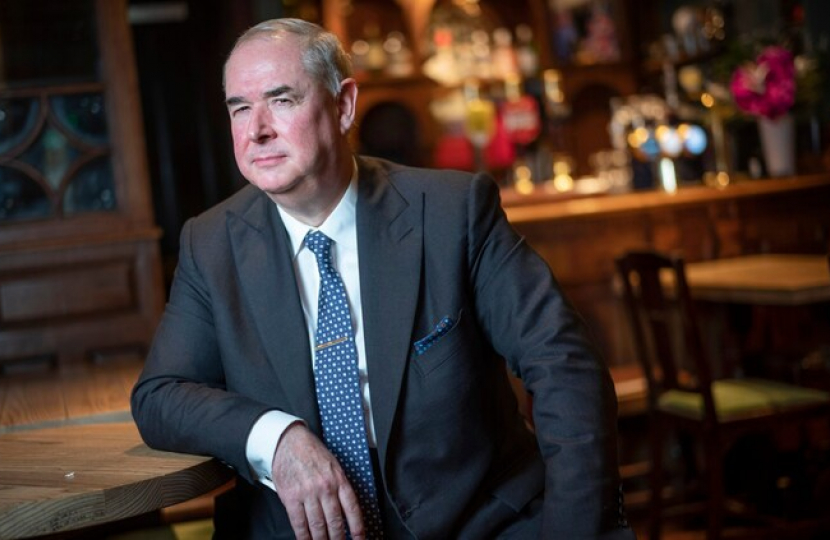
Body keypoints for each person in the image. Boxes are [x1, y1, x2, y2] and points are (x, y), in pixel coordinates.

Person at [131, 18, 635, 540]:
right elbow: (161, 396)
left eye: (281, 101)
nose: (256, 129)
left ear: (343, 105)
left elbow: (564, 365)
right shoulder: (210, 243)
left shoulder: (450, 213)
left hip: (478, 524)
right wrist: (277, 437)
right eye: (239, 107)